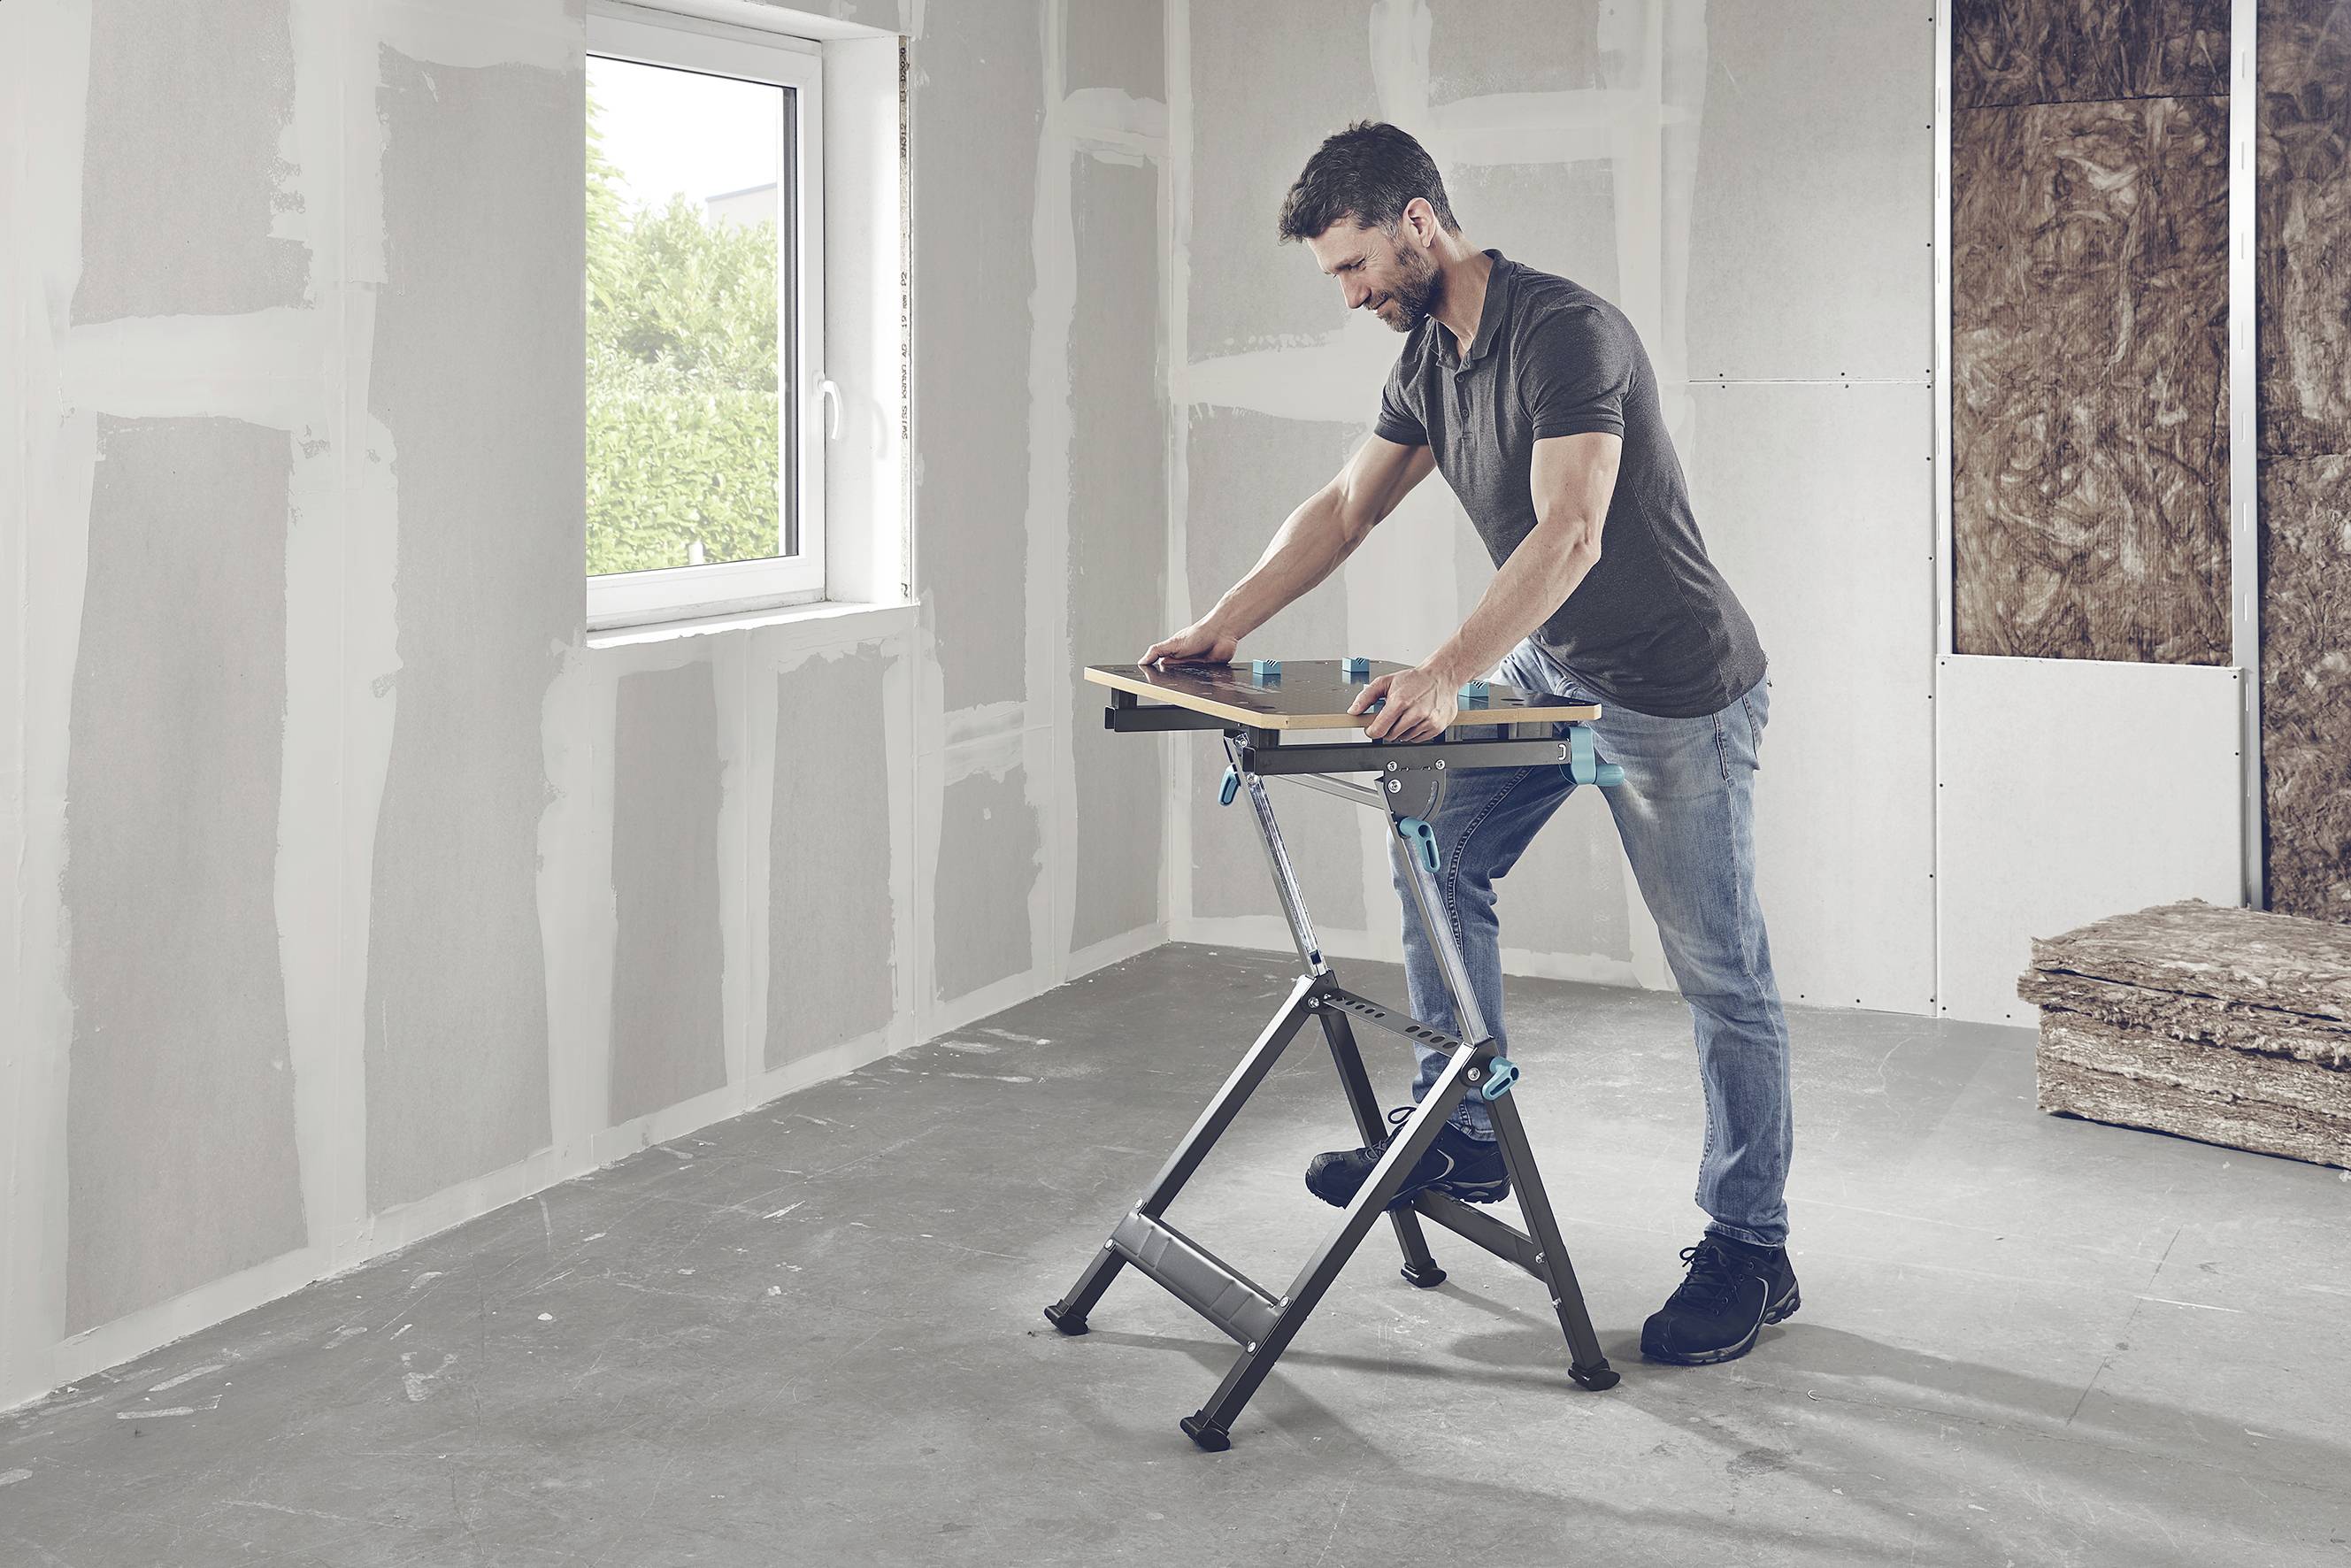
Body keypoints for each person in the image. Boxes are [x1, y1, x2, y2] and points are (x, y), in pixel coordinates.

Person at [1139, 122, 1796, 1366]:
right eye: (1334, 276)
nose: (1348, 296)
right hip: (1560, 665)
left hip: (1677, 686)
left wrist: (1446, 673)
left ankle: (1750, 1249)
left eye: (1354, 268)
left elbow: (1570, 533)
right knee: (1434, 833)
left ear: (1419, 222)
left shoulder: (1564, 332)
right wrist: (1216, 626)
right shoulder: (1428, 358)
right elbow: (1344, 508)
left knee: (1720, 975)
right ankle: (1464, 1124)